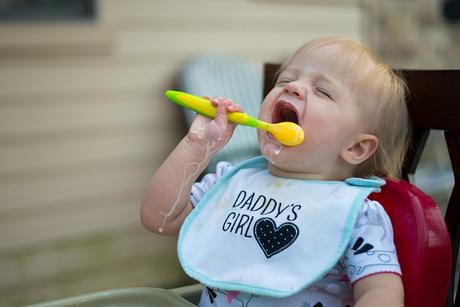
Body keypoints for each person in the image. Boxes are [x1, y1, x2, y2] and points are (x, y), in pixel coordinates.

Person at [140, 37, 410, 307]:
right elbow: (160, 218)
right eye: (285, 81)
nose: (293, 87)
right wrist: (197, 146)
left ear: (356, 147)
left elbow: (380, 293)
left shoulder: (357, 216)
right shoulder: (230, 182)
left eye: (323, 91)